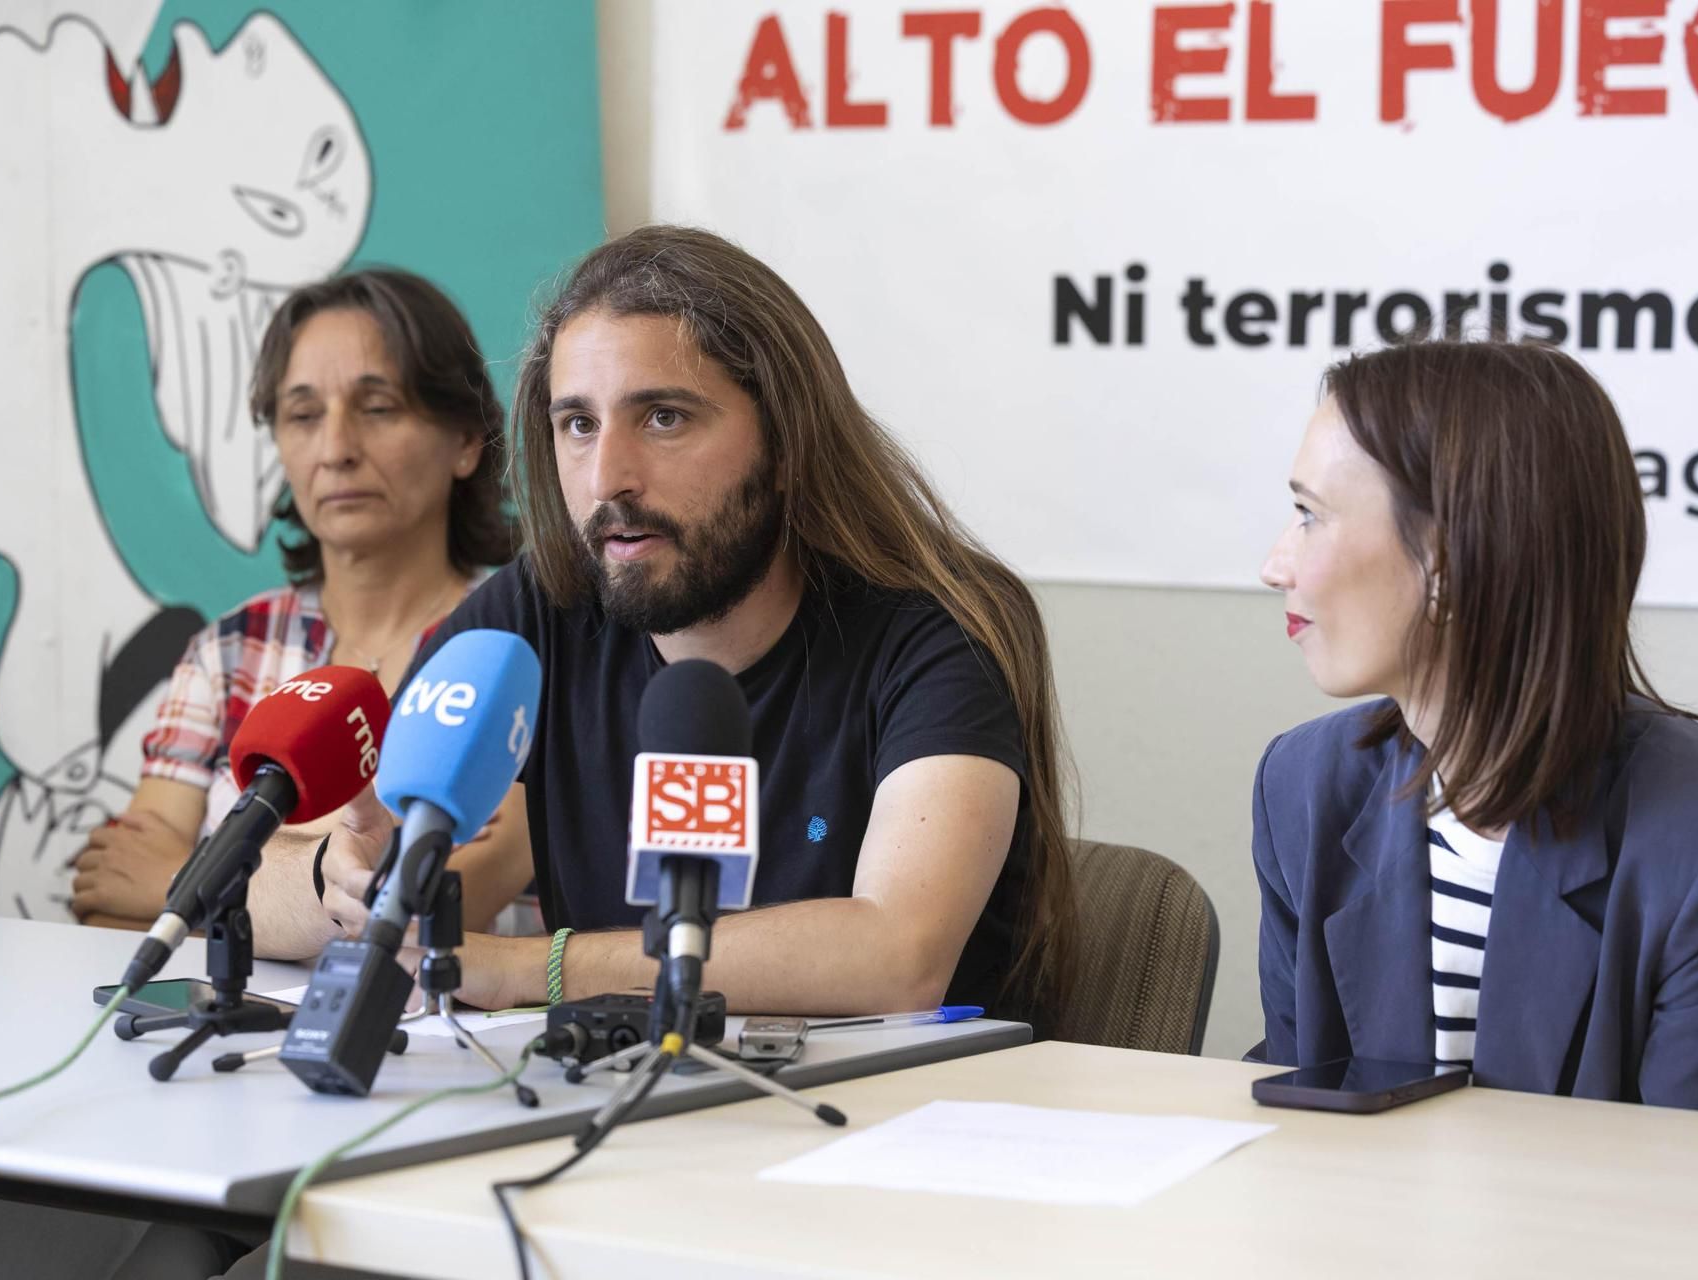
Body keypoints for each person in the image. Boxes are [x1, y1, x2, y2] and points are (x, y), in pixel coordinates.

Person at [251, 225, 1077, 1031]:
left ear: (787, 441)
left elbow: (899, 956)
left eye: (664, 418)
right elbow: (271, 883)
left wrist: (528, 968)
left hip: (899, 1129)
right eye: (578, 424)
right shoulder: (539, 611)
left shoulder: (934, 631)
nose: (609, 476)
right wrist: (337, 875)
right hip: (627, 1107)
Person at [1253, 339, 1698, 1116]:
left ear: (1445, 560)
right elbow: (1308, 1112)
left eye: (1309, 516)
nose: (1277, 564)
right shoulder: (1300, 788)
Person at [69, 268, 525, 936]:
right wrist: (300, 891)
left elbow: (426, 908)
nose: (336, 450)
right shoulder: (229, 647)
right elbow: (110, 895)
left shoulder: (520, 643)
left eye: (377, 408)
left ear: (465, 442)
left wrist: (180, 882)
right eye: (304, 415)